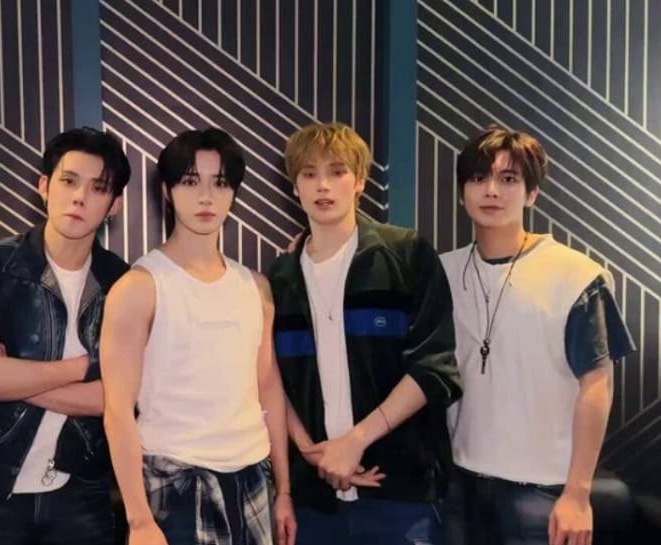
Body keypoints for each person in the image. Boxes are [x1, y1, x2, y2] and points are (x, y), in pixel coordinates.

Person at [439, 126, 635, 545]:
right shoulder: (442, 272)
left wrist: (578, 494)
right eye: (478, 177)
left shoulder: (575, 275)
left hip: (542, 490)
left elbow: (597, 385)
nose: (492, 190)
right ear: (462, 193)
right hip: (460, 483)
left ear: (532, 194)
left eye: (508, 179)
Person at [100, 128, 297, 545]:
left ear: (233, 194)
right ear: (167, 190)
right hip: (176, 482)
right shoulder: (140, 287)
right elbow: (117, 410)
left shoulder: (256, 287)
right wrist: (139, 520)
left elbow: (268, 387)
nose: (206, 197)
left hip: (254, 476)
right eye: (191, 182)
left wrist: (284, 491)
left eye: (219, 183)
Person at [269, 123, 462, 545]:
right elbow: (271, 381)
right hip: (313, 501)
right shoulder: (279, 279)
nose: (323, 185)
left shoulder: (405, 254)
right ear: (295, 187)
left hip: (401, 495)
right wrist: (313, 451)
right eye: (309, 173)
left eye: (337, 171)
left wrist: (356, 440)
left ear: (360, 180)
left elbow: (434, 367)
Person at [0, 127, 132, 545]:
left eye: (98, 188)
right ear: (44, 186)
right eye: (69, 181)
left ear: (114, 205)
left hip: (81, 491)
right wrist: (81, 368)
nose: (79, 197)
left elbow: (117, 399)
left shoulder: (124, 283)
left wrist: (11, 376)